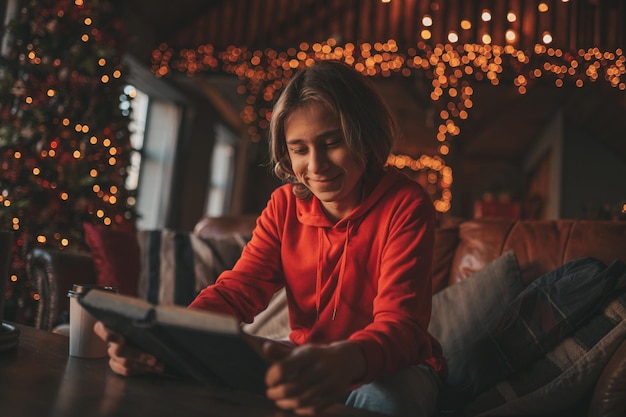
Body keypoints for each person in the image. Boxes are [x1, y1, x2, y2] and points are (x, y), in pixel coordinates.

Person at [94, 60, 446, 416]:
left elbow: (401, 326)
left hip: (392, 368)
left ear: (366, 138)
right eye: (299, 149)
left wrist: (344, 359)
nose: (316, 165)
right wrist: (170, 341)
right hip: (305, 360)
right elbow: (239, 289)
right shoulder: (284, 205)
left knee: (387, 401)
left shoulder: (407, 204)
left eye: (332, 142)